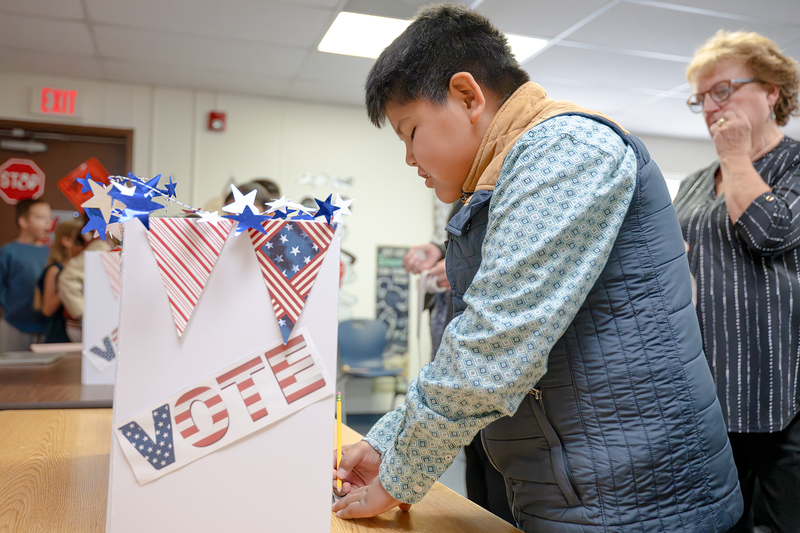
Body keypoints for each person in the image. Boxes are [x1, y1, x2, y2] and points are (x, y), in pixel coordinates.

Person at [332, 5, 742, 532]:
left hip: (642, 506)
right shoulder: (498, 181)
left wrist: (400, 469)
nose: (410, 158)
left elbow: (493, 343)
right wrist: (388, 444)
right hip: (583, 491)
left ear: (467, 96)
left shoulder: (565, 150)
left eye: (410, 132)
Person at [673, 30, 800, 533]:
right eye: (700, 97)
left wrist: (735, 155)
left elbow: (769, 233)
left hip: (779, 397)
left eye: (722, 90)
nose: (709, 107)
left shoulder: (794, 164)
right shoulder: (695, 182)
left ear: (770, 92)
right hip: (707, 396)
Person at [0, 199, 51, 353]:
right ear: (23, 221)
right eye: (41, 218)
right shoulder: (9, 252)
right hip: (14, 326)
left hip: (46, 329)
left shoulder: (52, 253)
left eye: (49, 218)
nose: (47, 223)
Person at [58, 229, 113, 342]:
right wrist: (84, 315)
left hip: (96, 320)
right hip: (93, 323)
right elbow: (69, 278)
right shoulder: (101, 245)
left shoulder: (105, 243)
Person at [34, 219, 83, 343]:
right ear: (66, 241)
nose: (83, 246)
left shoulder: (83, 271)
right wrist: (66, 284)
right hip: (59, 334)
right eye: (80, 241)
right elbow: (47, 309)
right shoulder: (55, 270)